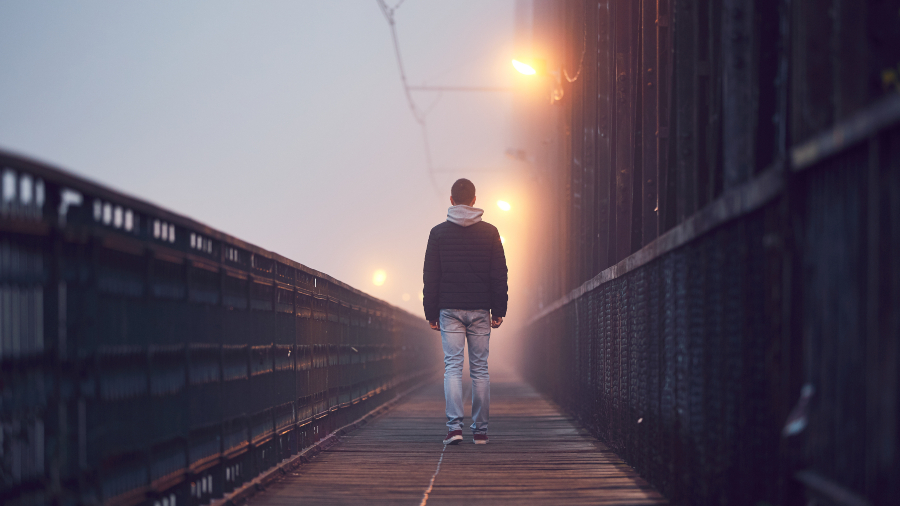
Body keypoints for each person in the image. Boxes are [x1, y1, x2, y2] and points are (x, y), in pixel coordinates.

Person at [422, 178, 508, 445]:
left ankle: (454, 429)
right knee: (480, 370)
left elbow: (430, 275)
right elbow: (499, 273)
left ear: (451, 201)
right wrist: (499, 308)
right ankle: (480, 431)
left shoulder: (438, 233)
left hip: (449, 309)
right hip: (480, 308)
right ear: (474, 200)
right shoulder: (491, 232)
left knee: (453, 368)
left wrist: (431, 312)